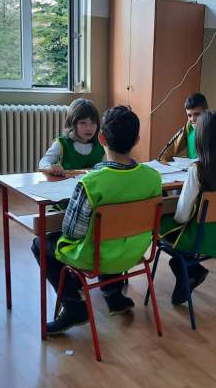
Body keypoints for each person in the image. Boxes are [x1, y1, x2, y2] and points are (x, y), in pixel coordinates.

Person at [31, 106, 162, 335]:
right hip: (134, 252)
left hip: (97, 256)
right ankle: (113, 295)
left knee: (40, 244)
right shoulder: (153, 177)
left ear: (101, 138)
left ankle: (74, 306)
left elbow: (73, 232)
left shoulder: (91, 183)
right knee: (111, 235)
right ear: (137, 140)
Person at [159, 111, 216, 303]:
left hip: (196, 239)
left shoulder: (197, 169)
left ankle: (191, 270)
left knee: (158, 224)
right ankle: (190, 271)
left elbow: (182, 216)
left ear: (200, 138)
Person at [38, 98, 105, 174]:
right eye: (83, 123)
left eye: (93, 123)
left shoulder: (101, 144)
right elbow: (43, 162)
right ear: (72, 123)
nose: (88, 128)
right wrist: (50, 168)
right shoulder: (62, 143)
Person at [157, 92, 208, 162]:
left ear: (206, 111)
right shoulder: (188, 127)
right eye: (189, 115)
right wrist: (161, 160)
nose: (193, 119)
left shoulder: (213, 129)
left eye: (197, 114)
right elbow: (171, 148)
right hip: (191, 167)